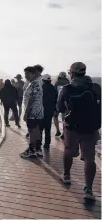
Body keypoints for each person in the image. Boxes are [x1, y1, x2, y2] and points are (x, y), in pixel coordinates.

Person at [57, 62, 101, 200]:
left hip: (72, 128)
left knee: (68, 151)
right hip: (90, 128)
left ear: (72, 73)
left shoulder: (66, 89)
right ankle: (88, 190)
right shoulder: (96, 87)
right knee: (89, 159)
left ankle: (66, 175)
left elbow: (59, 108)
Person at [20, 66, 44, 158]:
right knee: (37, 130)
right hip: (38, 111)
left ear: (33, 74)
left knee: (32, 131)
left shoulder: (34, 83)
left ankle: (31, 150)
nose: (26, 76)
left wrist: (26, 113)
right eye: (25, 74)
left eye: (27, 74)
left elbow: (31, 99)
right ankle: (38, 149)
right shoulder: (37, 82)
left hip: (32, 112)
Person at [41, 74, 58, 149]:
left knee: (40, 128)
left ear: (43, 80)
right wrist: (55, 110)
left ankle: (39, 143)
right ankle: (47, 144)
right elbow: (56, 100)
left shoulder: (41, 88)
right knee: (48, 128)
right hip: (50, 111)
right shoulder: (53, 88)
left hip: (41, 110)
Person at [54, 71, 70, 138]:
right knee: (64, 118)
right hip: (66, 102)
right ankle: (64, 132)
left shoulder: (57, 83)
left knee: (55, 116)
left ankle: (57, 131)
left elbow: (54, 93)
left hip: (58, 101)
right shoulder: (68, 82)